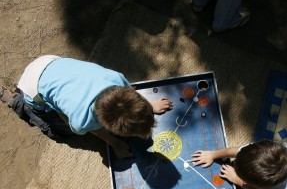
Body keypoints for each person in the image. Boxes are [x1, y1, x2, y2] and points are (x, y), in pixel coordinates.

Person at [0, 55, 173, 158]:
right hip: (33, 91)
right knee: (59, 131)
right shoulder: (81, 120)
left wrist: (149, 106)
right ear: (108, 126)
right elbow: (96, 130)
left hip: (49, 63)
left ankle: (27, 86)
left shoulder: (118, 81)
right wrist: (113, 142)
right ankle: (14, 100)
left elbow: (134, 98)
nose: (145, 137)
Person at [191, 139, 287, 189]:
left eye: (244, 179)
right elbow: (236, 151)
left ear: (268, 188)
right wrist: (212, 154)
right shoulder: (264, 151)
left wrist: (235, 179)